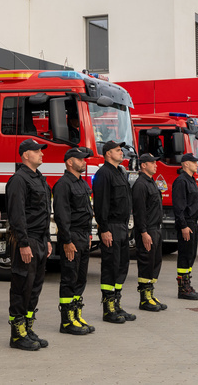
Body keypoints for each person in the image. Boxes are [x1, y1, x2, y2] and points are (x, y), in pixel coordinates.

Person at [7, 139, 53, 350]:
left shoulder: (40, 179)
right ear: (26, 155)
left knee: (34, 288)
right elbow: (17, 215)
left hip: (40, 240)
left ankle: (28, 328)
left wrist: (48, 239)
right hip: (27, 241)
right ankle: (17, 335)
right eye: (37, 151)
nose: (41, 154)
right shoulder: (19, 180)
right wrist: (23, 243)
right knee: (22, 287)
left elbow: (43, 212)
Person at [53, 147, 95, 335]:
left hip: (83, 236)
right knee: (69, 278)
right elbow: (62, 216)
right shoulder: (63, 184)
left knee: (80, 278)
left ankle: (76, 315)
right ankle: (66, 321)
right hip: (71, 237)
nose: (84, 162)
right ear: (70, 162)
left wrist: (89, 235)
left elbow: (86, 211)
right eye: (80, 159)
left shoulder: (83, 183)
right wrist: (67, 241)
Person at [92, 140, 135, 323]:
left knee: (121, 266)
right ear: (108, 153)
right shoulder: (104, 174)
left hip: (122, 227)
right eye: (118, 150)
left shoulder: (120, 172)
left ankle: (117, 304)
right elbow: (101, 204)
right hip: (111, 226)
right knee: (110, 266)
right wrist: (104, 229)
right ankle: (108, 309)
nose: (121, 153)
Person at [132, 153, 167, 311]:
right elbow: (139, 212)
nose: (156, 165)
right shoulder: (140, 184)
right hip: (147, 230)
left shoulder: (152, 183)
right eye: (152, 163)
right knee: (146, 263)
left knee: (154, 263)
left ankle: (150, 294)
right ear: (143, 165)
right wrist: (143, 232)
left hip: (156, 229)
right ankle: (144, 299)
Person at [172, 153, 198, 300]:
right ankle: (183, 289)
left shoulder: (191, 180)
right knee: (185, 255)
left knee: (191, 255)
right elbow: (179, 206)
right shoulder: (181, 181)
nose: (196, 164)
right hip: (187, 224)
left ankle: (187, 285)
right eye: (193, 162)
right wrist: (183, 225)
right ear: (185, 164)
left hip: (193, 222)